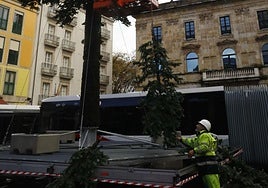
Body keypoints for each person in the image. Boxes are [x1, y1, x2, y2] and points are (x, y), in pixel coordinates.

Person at [177, 119, 220, 188]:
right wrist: (181, 139)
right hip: (205, 168)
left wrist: (194, 151)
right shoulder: (200, 137)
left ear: (203, 127)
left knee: (213, 186)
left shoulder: (205, 135)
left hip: (209, 168)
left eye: (199, 124)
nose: (196, 125)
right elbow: (191, 142)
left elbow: (204, 147)